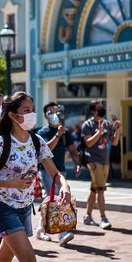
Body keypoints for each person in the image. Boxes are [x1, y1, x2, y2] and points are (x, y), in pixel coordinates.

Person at [0, 91, 72, 262]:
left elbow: (55, 173)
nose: (32, 114)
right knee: (29, 260)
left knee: (3, 260)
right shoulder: (0, 143)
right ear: (13, 115)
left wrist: (64, 186)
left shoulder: (37, 141)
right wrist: (8, 184)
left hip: (24, 208)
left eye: (33, 110)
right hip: (2, 207)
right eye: (26, 110)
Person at [34, 102, 81, 246]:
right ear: (45, 116)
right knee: (55, 200)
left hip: (61, 170)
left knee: (52, 199)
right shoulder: (43, 133)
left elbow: (72, 150)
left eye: (56, 112)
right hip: (46, 171)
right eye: (50, 112)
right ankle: (62, 234)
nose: (55, 115)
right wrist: (57, 135)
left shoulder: (65, 132)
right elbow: (46, 149)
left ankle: (41, 229)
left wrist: (77, 163)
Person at [80, 99, 121, 229]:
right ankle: (103, 218)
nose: (101, 109)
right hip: (93, 160)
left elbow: (114, 142)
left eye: (102, 107)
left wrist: (117, 129)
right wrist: (99, 131)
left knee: (94, 189)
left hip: (105, 160)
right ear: (93, 111)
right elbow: (88, 143)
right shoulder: (88, 125)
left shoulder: (107, 124)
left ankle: (87, 216)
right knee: (101, 190)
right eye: (99, 108)